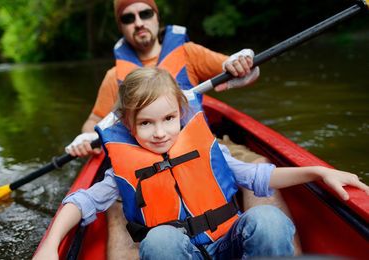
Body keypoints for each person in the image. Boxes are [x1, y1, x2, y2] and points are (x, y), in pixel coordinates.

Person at [34, 68, 369, 259]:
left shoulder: (210, 151)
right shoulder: (120, 171)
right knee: (159, 240)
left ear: (181, 114)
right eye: (146, 123)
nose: (160, 132)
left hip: (229, 245)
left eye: (168, 119)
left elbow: (261, 176)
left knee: (267, 217)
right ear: (129, 124)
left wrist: (319, 172)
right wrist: (50, 245)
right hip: (180, 254)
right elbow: (80, 202)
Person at [64, 0, 294, 257]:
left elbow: (243, 73)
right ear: (121, 26)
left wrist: (242, 63)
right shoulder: (113, 77)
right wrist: (85, 136)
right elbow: (94, 122)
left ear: (156, 17)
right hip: (142, 153)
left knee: (257, 165)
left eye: (145, 13)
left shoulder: (188, 53)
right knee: (118, 203)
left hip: (202, 145)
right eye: (128, 18)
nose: (138, 22)